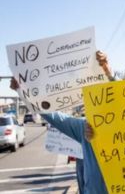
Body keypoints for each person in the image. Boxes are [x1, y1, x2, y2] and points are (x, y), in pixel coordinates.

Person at [10, 50, 112, 194]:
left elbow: (124, 95)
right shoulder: (84, 126)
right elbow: (53, 116)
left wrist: (108, 72)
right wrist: (23, 92)